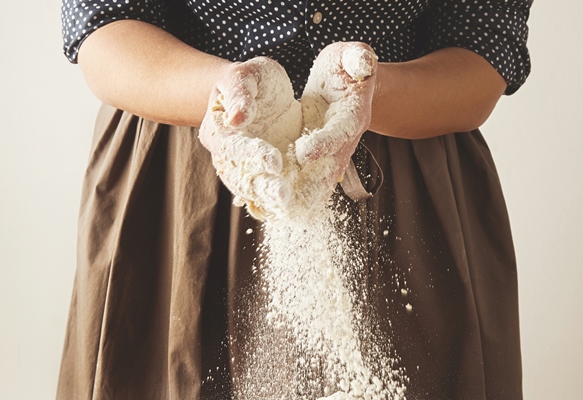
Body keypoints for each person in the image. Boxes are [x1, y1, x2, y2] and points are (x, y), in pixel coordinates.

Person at [58, 1, 532, 399]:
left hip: (401, 182)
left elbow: (482, 47)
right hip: (186, 187)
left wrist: (373, 91)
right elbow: (105, 29)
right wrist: (225, 93)